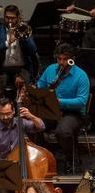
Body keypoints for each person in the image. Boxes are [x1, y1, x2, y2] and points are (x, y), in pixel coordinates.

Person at [34, 43, 90, 174]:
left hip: (73, 113)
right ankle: (46, 155)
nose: (61, 62)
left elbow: (82, 101)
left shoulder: (81, 76)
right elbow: (40, 86)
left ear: (72, 59)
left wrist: (59, 102)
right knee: (33, 124)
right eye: (59, 59)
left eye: (65, 59)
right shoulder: (50, 69)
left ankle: (71, 159)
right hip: (51, 110)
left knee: (63, 131)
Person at [0, 5, 39, 99]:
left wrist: (24, 37)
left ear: (17, 18)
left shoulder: (23, 29)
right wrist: (7, 43)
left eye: (12, 18)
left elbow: (33, 50)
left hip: (21, 68)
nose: (9, 21)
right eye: (7, 17)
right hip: (2, 69)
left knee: (25, 93)